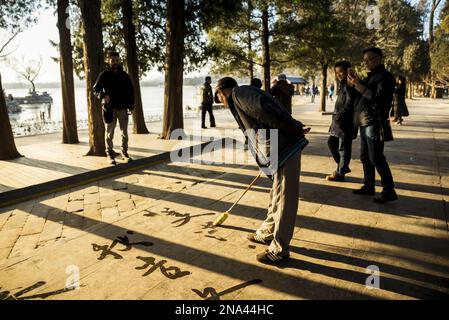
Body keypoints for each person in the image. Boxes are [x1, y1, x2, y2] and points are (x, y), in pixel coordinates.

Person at [214, 77, 308, 264]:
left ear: (221, 91)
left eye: (219, 97)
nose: (221, 102)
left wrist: (295, 127)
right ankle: (267, 232)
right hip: (275, 148)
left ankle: (279, 249)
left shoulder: (239, 94)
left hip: (282, 147)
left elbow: (266, 112)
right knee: (276, 194)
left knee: (284, 198)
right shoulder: (241, 96)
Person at [347, 47, 398, 203]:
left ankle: (389, 190)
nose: (367, 62)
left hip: (374, 122)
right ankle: (369, 185)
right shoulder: (370, 78)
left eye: (370, 59)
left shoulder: (386, 77)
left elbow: (376, 98)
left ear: (379, 57)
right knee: (365, 157)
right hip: (364, 122)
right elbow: (358, 96)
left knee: (376, 157)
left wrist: (358, 84)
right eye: (365, 60)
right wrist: (352, 84)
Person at [93, 51, 134, 165]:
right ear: (109, 61)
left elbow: (131, 92)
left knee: (124, 132)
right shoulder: (104, 75)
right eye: (112, 60)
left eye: (116, 60)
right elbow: (95, 89)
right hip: (109, 108)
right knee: (109, 133)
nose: (115, 62)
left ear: (119, 60)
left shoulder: (124, 75)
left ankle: (124, 153)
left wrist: (131, 106)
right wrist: (103, 95)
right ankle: (110, 154)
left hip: (123, 108)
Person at [326, 61, 358, 182]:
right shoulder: (342, 84)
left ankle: (340, 173)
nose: (339, 74)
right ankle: (343, 167)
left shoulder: (350, 84)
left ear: (347, 71)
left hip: (346, 122)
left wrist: (339, 115)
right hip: (338, 122)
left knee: (343, 148)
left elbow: (350, 103)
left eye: (341, 72)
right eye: (337, 72)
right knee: (331, 143)